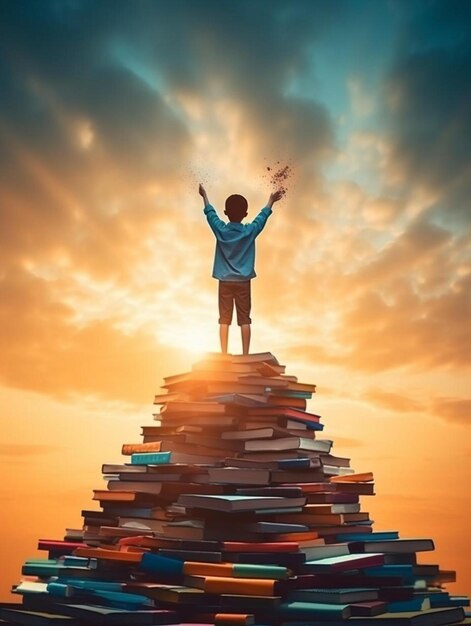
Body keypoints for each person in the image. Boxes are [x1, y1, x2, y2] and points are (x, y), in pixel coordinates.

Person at [199, 183, 283, 355]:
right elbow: (262, 217)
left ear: (226, 213)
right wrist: (271, 201)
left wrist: (204, 196)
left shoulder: (221, 230)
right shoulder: (250, 231)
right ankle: (245, 354)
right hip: (244, 282)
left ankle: (223, 354)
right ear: (245, 214)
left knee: (224, 319)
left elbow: (210, 215)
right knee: (245, 319)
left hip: (224, 281)